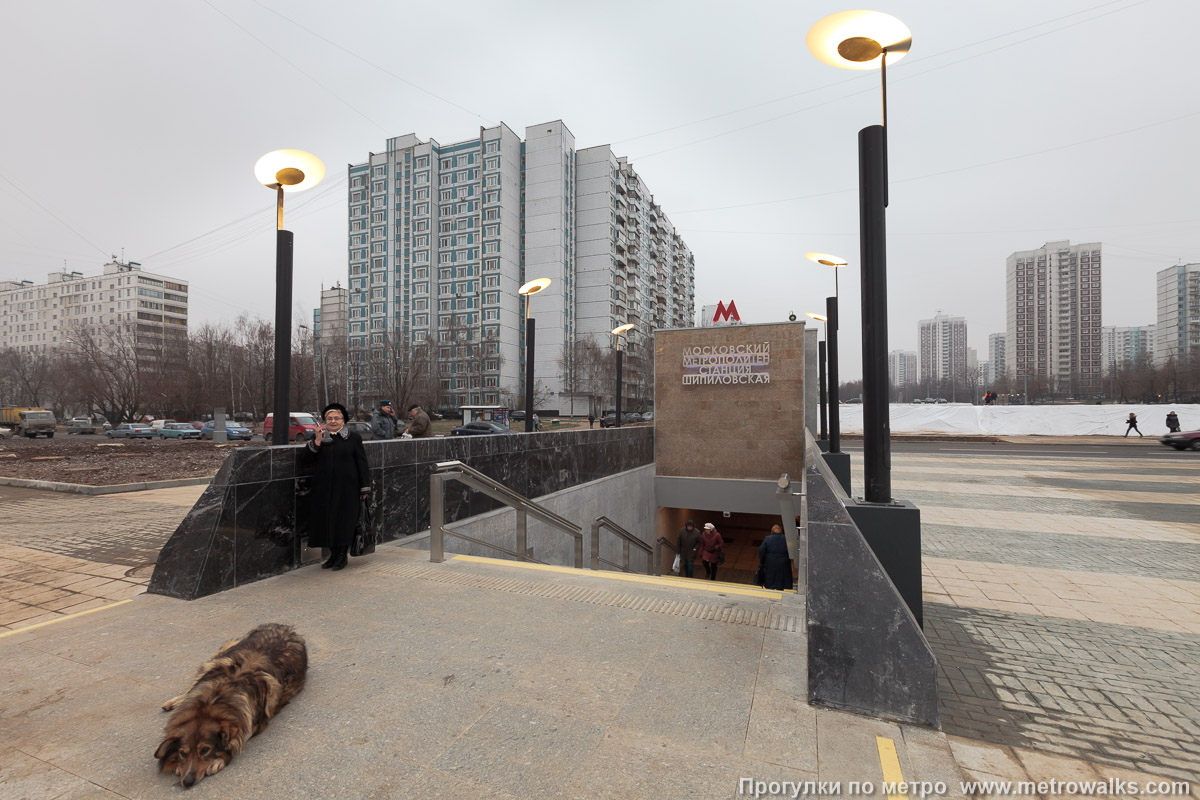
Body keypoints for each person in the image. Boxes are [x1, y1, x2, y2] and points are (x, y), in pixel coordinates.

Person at [302, 403, 369, 572]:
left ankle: (341, 556)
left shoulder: (353, 438)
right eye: (329, 418)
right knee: (327, 522)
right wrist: (317, 441)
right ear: (324, 420)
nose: (333, 421)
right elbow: (305, 461)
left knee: (343, 521)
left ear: (343, 420)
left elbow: (362, 463)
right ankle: (332, 555)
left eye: (336, 418)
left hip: (348, 488)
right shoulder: (320, 437)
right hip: (324, 488)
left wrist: (364, 487)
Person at [757, 524, 793, 590]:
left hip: (770, 561)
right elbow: (791, 549)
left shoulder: (767, 538)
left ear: (772, 532)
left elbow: (761, 550)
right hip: (784, 561)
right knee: (782, 576)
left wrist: (762, 561)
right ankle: (780, 588)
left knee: (771, 576)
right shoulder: (786, 539)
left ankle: (770, 588)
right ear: (781, 531)